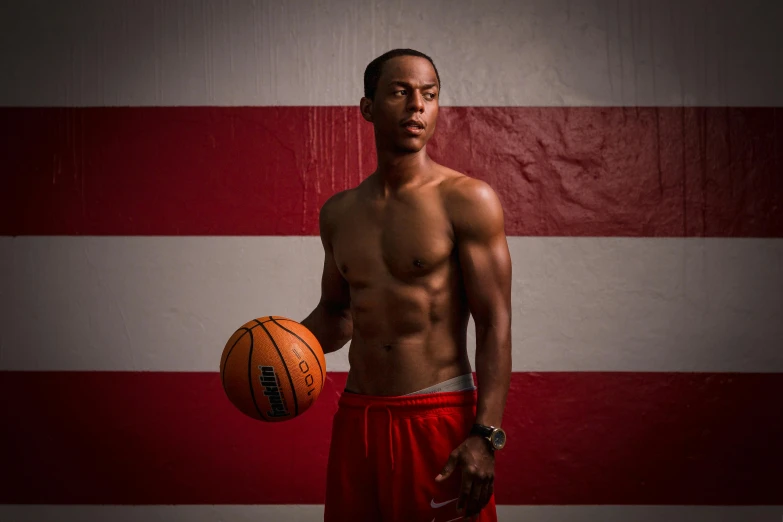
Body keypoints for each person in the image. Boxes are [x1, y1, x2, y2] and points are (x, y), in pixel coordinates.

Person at [301, 48, 512, 522]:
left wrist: (486, 433)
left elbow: (495, 322)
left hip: (438, 417)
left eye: (429, 95)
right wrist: (281, 347)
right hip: (359, 418)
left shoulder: (468, 200)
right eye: (400, 92)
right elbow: (338, 316)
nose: (417, 105)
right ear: (368, 107)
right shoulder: (338, 213)